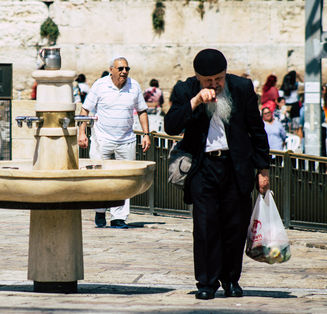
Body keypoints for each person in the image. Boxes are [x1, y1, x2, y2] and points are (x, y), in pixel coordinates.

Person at [164, 49, 270, 300]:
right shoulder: (185, 90)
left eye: (219, 79)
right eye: (208, 81)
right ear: (198, 78)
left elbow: (257, 129)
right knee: (205, 227)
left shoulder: (242, 88)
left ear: (225, 73)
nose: (215, 85)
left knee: (235, 226)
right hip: (203, 168)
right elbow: (170, 126)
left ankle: (231, 280)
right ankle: (207, 282)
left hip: (235, 167)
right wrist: (196, 101)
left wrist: (263, 169)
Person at [78, 56, 151, 229]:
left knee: (124, 179)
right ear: (111, 69)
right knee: (99, 178)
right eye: (120, 69)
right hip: (101, 139)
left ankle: (119, 218)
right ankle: (100, 211)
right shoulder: (100, 85)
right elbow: (85, 109)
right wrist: (82, 133)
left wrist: (146, 134)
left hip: (126, 139)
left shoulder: (134, 86)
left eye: (127, 69)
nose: (124, 72)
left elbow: (142, 111)